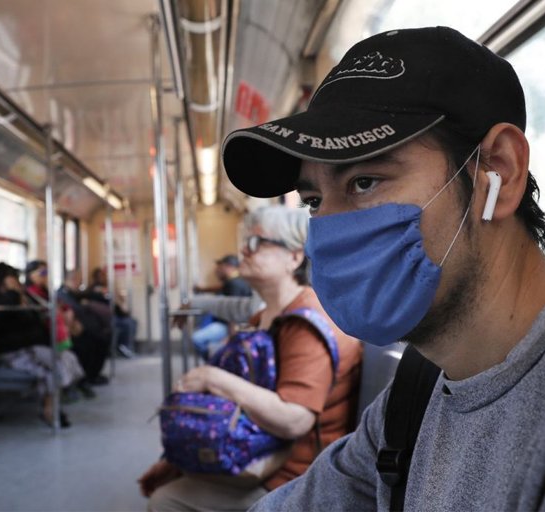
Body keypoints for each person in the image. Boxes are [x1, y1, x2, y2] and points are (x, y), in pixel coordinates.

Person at [220, 26, 545, 510]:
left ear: (498, 172)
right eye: (313, 201)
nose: (327, 229)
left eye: (365, 181)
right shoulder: (418, 389)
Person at [138, 206, 363, 511]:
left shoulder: (306, 324)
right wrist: (175, 461)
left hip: (297, 473)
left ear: (294, 257)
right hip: (263, 452)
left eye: (257, 242)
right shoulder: (267, 316)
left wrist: (212, 378)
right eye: (246, 242)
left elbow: (294, 419)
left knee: (166, 501)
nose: (244, 250)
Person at [0, 262, 86, 427]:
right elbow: (6, 328)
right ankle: (49, 409)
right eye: (13, 279)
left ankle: (50, 406)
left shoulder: (22, 298)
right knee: (52, 367)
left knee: (63, 359)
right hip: (13, 353)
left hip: (29, 349)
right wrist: (13, 293)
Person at [189, 255, 254, 360]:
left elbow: (233, 311)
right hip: (228, 323)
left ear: (229, 266)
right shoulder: (234, 281)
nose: (217, 270)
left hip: (228, 325)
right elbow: (220, 288)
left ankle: (214, 360)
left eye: (220, 266)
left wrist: (231, 338)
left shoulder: (234, 283)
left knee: (197, 338)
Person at [90, 266, 138, 358]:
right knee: (125, 324)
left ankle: (126, 346)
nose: (103, 278)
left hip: (114, 314)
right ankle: (121, 346)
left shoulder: (108, 287)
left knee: (132, 322)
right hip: (104, 317)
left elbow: (117, 303)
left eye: (103, 276)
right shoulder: (95, 289)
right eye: (100, 276)